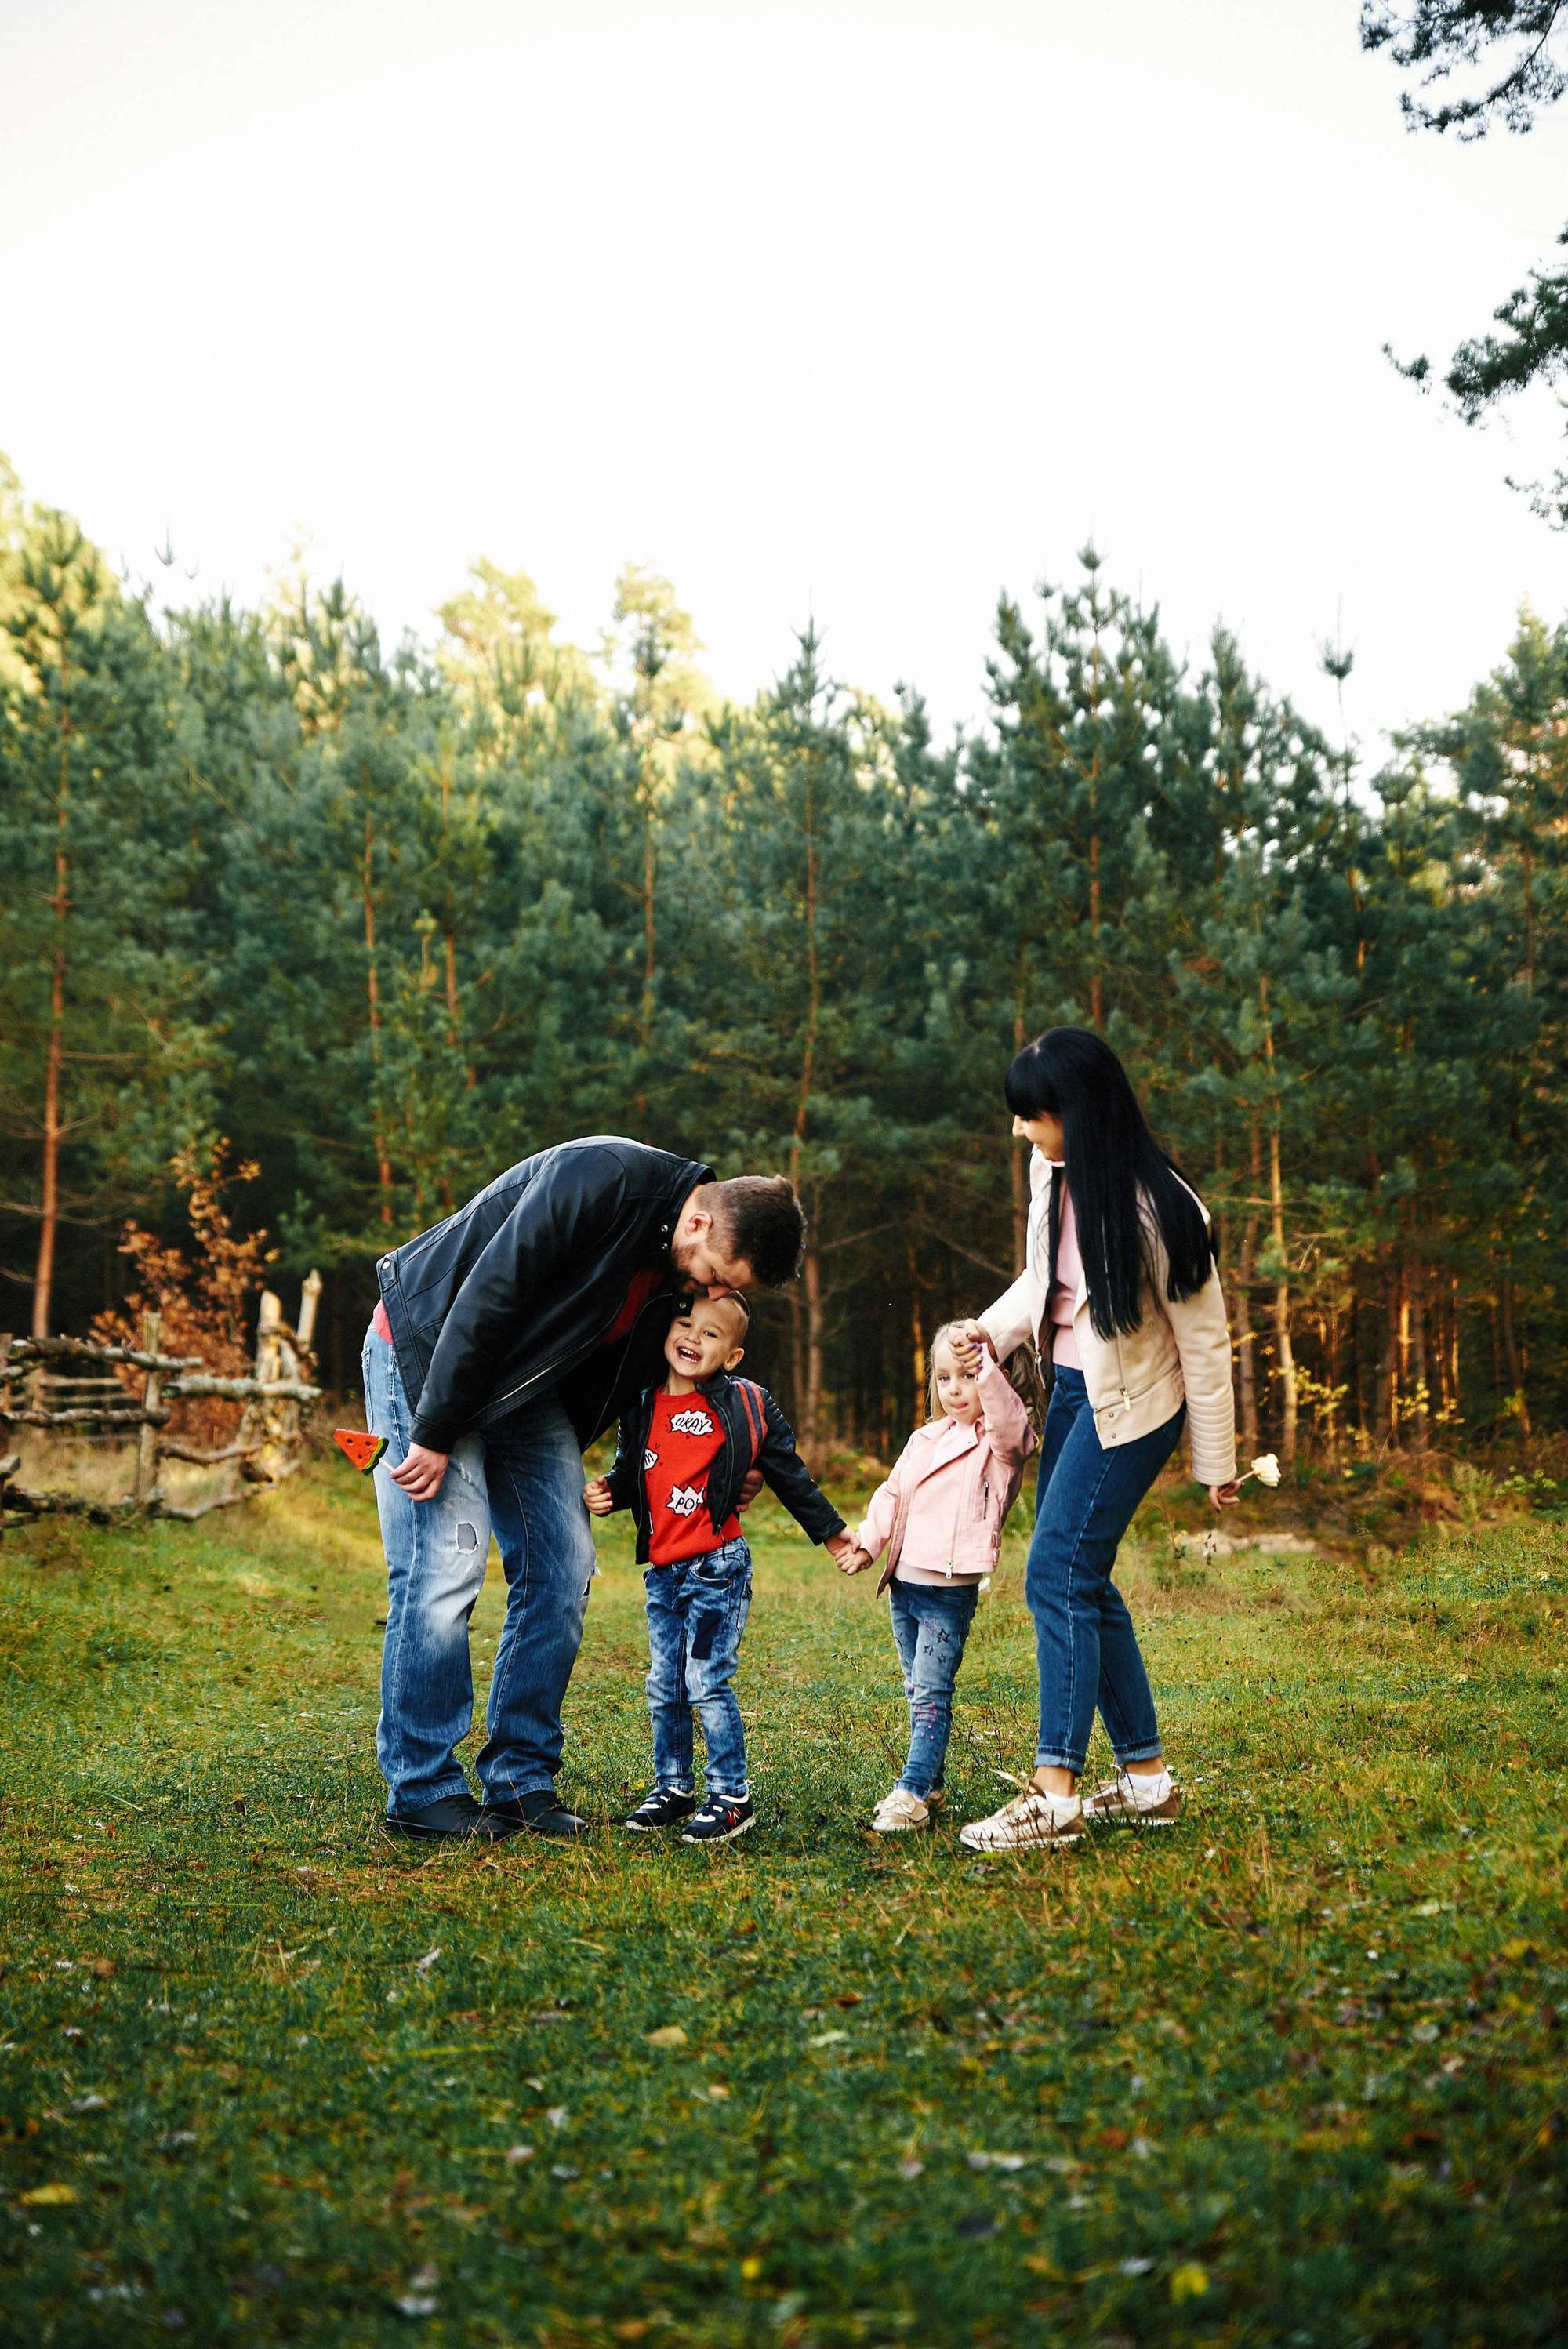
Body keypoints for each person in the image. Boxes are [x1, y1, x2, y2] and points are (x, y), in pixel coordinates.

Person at [363, 1136, 810, 1843]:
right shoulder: (601, 1178)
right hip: (429, 1350)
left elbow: (675, 1381)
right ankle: (421, 1790)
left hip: (522, 1392)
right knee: (443, 1566)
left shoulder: (679, 1271)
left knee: (565, 1566)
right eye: (720, 1276)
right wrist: (435, 1428)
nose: (715, 1296)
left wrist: (734, 1459)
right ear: (699, 1224)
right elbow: (492, 1290)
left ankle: (519, 1779)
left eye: (733, 1292)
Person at [954, 1029, 1239, 1855]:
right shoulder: (1053, 1173)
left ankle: (1054, 1792)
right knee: (1081, 1573)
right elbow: (1045, 1281)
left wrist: (1214, 1463)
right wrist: (990, 1331)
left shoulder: (1165, 1208)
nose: (1018, 1131)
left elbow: (1205, 1342)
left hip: (1136, 1410)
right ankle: (1145, 1782)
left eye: (1030, 1115)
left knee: (1056, 1572)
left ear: (1076, 1111)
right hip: (1074, 1393)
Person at [586, 1291, 853, 1844]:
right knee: (664, 1682)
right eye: (685, 1324)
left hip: (716, 1567)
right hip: (663, 1572)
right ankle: (673, 1785)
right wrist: (611, 1491)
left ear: (732, 1356)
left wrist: (834, 1535)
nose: (692, 1338)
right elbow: (637, 1470)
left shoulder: (746, 1404)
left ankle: (732, 1794)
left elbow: (789, 1474)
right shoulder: (643, 1403)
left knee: (705, 1679)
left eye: (710, 1334)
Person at [840, 1326, 1036, 1833]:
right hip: (904, 1587)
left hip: (948, 1594)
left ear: (995, 1380)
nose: (954, 1389)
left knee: (931, 1691)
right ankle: (932, 1783)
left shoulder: (997, 1447)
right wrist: (867, 1542)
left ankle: (910, 1793)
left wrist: (987, 1368)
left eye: (968, 1377)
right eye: (944, 1377)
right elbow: (891, 1494)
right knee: (915, 1688)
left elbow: (1014, 1430)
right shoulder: (923, 1439)